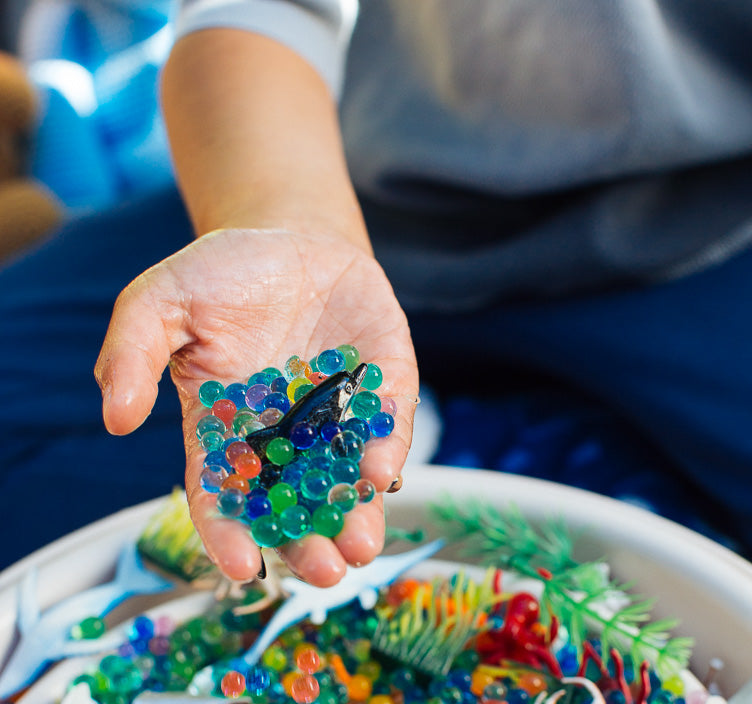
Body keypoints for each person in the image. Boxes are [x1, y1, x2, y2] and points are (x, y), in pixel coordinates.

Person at [5, 2, 752, 575]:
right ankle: (420, 429)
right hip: (333, 190)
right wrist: (287, 229)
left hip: (707, 239)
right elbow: (256, 15)